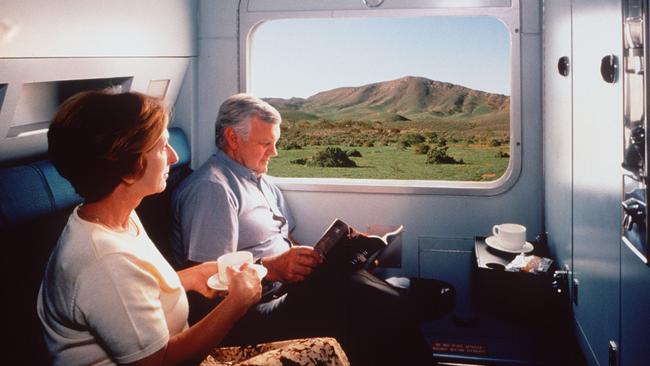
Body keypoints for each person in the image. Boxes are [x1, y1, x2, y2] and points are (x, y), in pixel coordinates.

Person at [37, 90, 349, 366]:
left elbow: (132, 293)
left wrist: (187, 278)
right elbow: (158, 361)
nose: (173, 157)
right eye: (161, 147)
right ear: (129, 168)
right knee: (323, 354)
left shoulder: (120, 219)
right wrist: (238, 303)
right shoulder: (103, 261)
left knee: (324, 346)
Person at [171, 93, 436, 365]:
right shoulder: (213, 189)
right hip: (249, 312)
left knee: (356, 286)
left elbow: (287, 241)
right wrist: (272, 268)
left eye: (275, 143)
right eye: (265, 143)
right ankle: (399, 306)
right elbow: (209, 287)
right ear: (233, 138)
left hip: (284, 287)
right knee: (363, 296)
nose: (274, 152)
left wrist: (327, 257)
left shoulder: (262, 181)